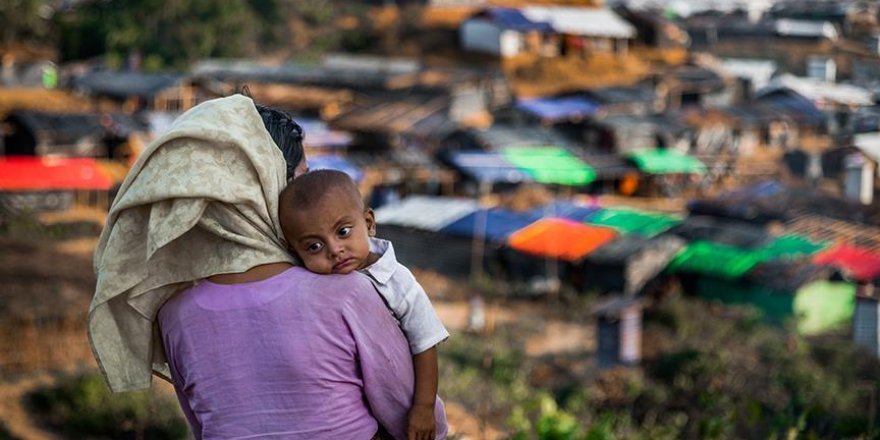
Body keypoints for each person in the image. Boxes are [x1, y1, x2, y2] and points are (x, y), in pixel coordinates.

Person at [88, 94, 447, 439]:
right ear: (263, 184)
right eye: (299, 178)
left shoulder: (174, 316)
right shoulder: (346, 291)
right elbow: (416, 421)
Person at [279, 170, 449, 440]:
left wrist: (424, 407)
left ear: (368, 222)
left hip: (405, 414)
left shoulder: (397, 281)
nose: (334, 249)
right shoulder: (311, 289)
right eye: (314, 246)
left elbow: (426, 343)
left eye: (343, 232)